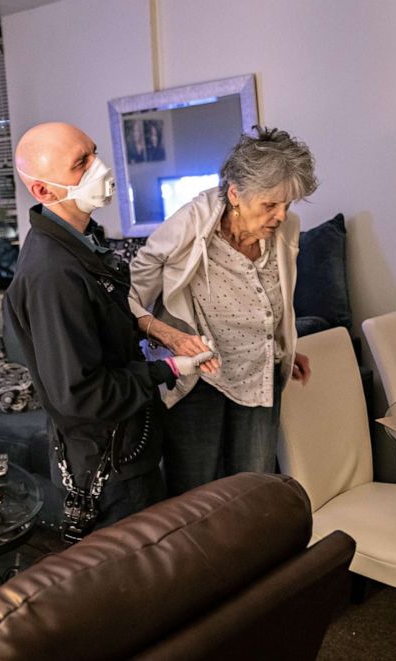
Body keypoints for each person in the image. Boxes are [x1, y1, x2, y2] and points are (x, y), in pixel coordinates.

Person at [4, 122, 210, 543]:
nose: (99, 167)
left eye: (93, 153)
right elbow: (80, 394)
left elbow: (110, 312)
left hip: (130, 444)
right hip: (106, 464)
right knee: (132, 583)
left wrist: (160, 331)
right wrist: (165, 369)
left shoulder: (84, 242)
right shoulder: (53, 274)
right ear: (43, 191)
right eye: (81, 163)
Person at [129, 127, 318, 496]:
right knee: (197, 494)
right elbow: (134, 293)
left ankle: (251, 554)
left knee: (253, 488)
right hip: (200, 375)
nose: (280, 216)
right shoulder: (193, 220)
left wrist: (282, 345)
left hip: (259, 374)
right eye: (270, 205)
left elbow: (270, 298)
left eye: (288, 205)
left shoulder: (285, 227)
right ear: (235, 194)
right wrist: (169, 336)